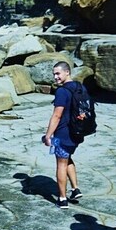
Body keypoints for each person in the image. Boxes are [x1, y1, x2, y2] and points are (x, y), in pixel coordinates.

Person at [42, 61, 83, 209]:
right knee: (67, 157)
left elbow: (57, 116)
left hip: (63, 133)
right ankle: (75, 188)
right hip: (77, 132)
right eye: (54, 74)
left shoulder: (62, 91)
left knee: (61, 163)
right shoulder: (80, 87)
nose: (55, 77)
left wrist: (48, 136)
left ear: (67, 72)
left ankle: (62, 198)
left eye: (58, 73)